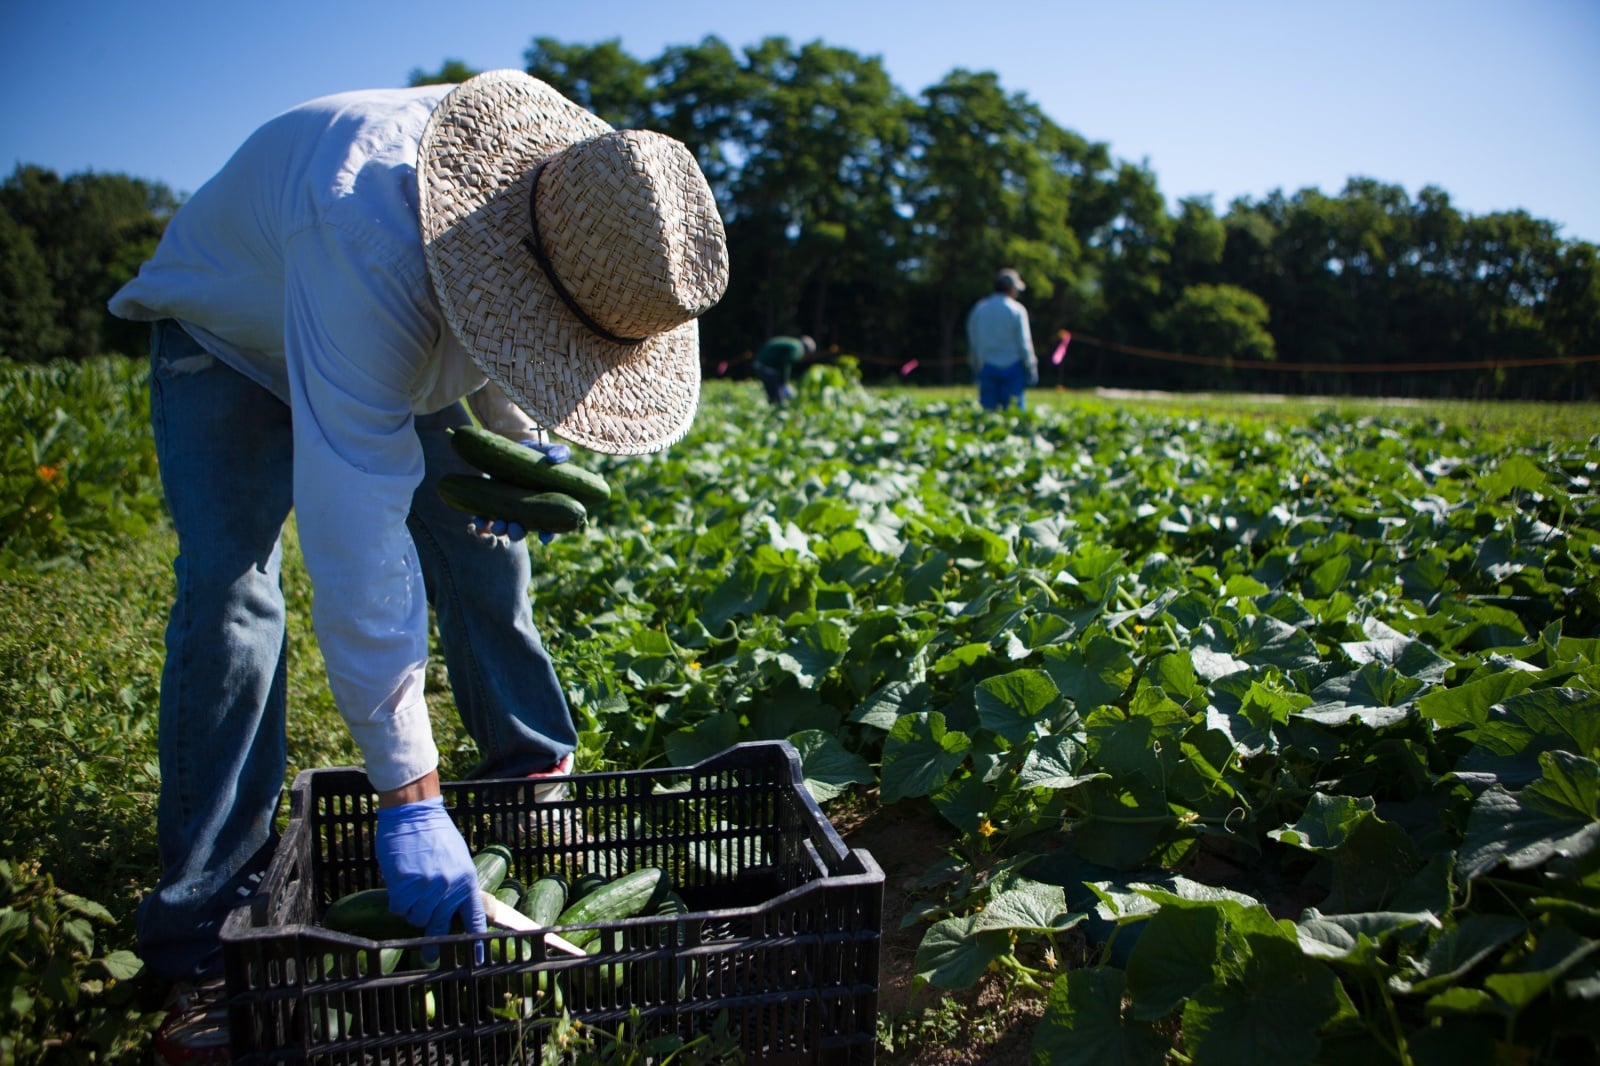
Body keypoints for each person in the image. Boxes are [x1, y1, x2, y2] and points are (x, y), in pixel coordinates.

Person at [107, 70, 729, 1062]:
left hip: (407, 313)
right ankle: (201, 935)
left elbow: (521, 331)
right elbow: (358, 536)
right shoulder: (370, 233)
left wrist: (521, 442)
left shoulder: (585, 210)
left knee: (488, 550)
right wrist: (408, 798)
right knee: (235, 602)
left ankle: (531, 775)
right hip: (231, 336)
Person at [966, 268, 1038, 411]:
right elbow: (1024, 343)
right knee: (1014, 415)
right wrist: (1030, 366)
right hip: (1013, 368)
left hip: (987, 366)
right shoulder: (1017, 310)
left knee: (987, 414)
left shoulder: (979, 309)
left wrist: (974, 365)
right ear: (1011, 289)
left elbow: (973, 340)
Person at [752, 334, 815, 406]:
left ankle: (774, 406)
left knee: (773, 392)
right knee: (776, 391)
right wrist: (785, 382)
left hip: (761, 363)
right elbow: (786, 364)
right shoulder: (798, 349)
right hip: (767, 365)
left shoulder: (795, 343)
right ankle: (778, 408)